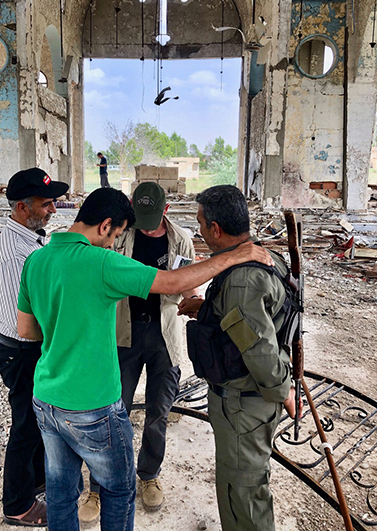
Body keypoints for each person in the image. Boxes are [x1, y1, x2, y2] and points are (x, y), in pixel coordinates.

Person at [17, 187, 274, 531]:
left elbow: (26, 330)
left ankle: (146, 476)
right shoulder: (101, 262)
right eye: (118, 233)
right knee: (119, 489)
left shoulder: (37, 259)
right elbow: (171, 282)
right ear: (106, 225)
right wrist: (234, 256)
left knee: (62, 491)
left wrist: (66, 329)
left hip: (47, 398)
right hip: (92, 402)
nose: (114, 242)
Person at [177, 185, 302, 531]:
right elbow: (253, 319)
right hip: (247, 404)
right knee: (243, 486)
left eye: (201, 224)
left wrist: (285, 392)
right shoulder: (262, 255)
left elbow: (258, 349)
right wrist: (201, 308)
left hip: (243, 408)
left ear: (216, 229)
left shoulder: (241, 280)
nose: (200, 232)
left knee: (242, 493)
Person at [79, 182, 198, 523]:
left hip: (163, 334)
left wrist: (194, 297)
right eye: (139, 217)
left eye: (152, 217)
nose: (145, 225)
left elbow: (187, 284)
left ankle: (148, 475)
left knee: (159, 413)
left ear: (167, 209)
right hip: (125, 333)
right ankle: (99, 487)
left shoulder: (181, 240)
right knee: (114, 411)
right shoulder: (120, 236)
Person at [0, 167, 69, 527]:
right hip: (21, 351)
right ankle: (17, 506)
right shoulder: (11, 257)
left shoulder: (33, 240)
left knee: (36, 421)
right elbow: (20, 324)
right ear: (22, 207)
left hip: (31, 347)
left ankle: (36, 481)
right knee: (25, 427)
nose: (53, 210)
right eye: (46, 204)